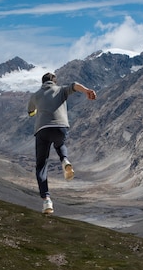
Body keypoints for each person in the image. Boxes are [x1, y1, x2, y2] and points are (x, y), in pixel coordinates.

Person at [27, 72, 97, 214]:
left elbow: (30, 112)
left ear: (42, 82)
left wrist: (37, 111)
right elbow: (75, 85)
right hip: (61, 127)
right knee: (59, 144)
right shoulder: (61, 90)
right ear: (54, 81)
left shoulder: (35, 95)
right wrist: (87, 91)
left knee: (41, 165)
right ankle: (64, 160)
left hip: (42, 129)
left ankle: (47, 200)